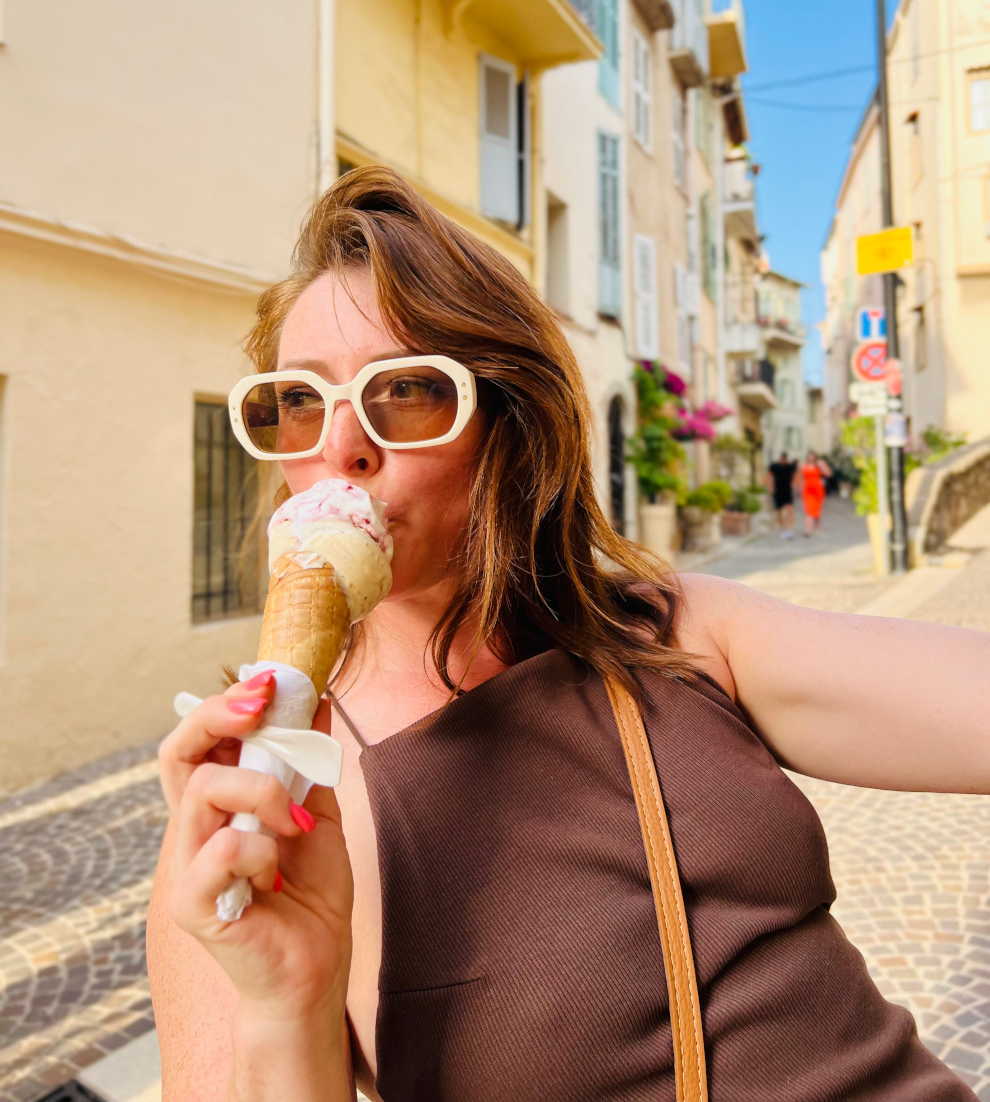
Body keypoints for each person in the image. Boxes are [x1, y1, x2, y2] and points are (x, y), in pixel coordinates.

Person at [149, 167, 988, 1102]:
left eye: (408, 389)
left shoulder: (677, 636)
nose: (341, 444)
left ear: (509, 426)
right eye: (299, 401)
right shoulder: (249, 814)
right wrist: (288, 1009)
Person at [800, 449, 833, 537]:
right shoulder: (804, 465)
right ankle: (807, 530)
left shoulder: (819, 464)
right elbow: (802, 478)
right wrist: (800, 489)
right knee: (809, 510)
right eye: (809, 455)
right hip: (807, 490)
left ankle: (816, 528)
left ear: (815, 456)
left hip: (818, 490)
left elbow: (829, 474)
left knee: (817, 511)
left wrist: (822, 466)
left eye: (812, 455)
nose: (811, 457)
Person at [766, 450, 797, 540]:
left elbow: (796, 475)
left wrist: (794, 484)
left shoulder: (790, 466)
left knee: (790, 510)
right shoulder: (774, 466)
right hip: (778, 491)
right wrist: (770, 487)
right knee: (779, 512)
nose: (783, 460)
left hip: (787, 491)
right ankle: (783, 529)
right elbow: (768, 476)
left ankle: (790, 529)